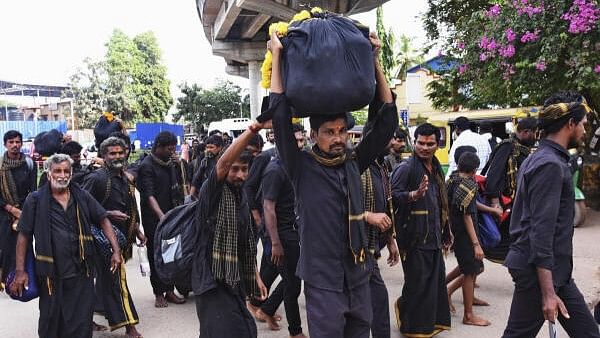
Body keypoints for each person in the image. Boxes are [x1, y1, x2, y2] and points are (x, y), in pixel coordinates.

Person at [269, 30, 398, 337]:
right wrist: (276, 55)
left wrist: (374, 60)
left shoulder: (353, 162)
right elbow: (279, 115)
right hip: (322, 278)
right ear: (314, 136)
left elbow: (386, 121)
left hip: (357, 272)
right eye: (330, 132)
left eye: (342, 130)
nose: (339, 137)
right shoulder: (300, 166)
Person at [502, 92, 600, 337]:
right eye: (583, 125)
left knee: (587, 333)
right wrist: (547, 293)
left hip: (556, 272)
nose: (584, 131)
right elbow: (540, 232)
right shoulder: (550, 165)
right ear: (570, 124)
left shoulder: (543, 158)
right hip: (538, 273)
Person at [10, 153, 123, 338]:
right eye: (57, 171)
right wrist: (20, 271)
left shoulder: (81, 196)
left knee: (81, 321)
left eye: (66, 171)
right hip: (50, 274)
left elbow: (103, 219)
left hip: (81, 271)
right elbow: (23, 235)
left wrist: (116, 251)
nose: (62, 175)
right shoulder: (36, 200)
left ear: (71, 174)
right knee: (51, 321)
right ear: (48, 174)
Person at [191, 120, 268, 338]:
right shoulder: (212, 191)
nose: (240, 175)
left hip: (233, 280)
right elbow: (223, 164)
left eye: (244, 170)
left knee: (243, 330)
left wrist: (256, 276)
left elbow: (245, 242)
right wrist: (254, 129)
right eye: (235, 169)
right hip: (210, 280)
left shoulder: (239, 196)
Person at [391, 123, 452, 337]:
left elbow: (440, 202)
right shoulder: (406, 168)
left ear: (438, 145)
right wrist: (412, 195)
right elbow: (393, 196)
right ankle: (411, 326)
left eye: (430, 144)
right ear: (414, 142)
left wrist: (446, 231)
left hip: (433, 235)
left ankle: (426, 325)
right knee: (417, 283)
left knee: (432, 283)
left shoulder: (436, 168)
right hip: (414, 236)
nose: (425, 147)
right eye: (420, 143)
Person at [83, 137, 145, 338]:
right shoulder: (97, 179)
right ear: (104, 156)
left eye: (120, 152)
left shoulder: (124, 177)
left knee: (105, 281)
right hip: (103, 243)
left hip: (121, 237)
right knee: (119, 282)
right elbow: (81, 207)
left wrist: (136, 230)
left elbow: (130, 207)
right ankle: (130, 327)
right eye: (112, 153)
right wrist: (107, 214)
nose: (117, 156)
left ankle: (92, 315)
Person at [255, 125, 306, 336]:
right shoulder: (275, 170)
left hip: (296, 233)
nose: (300, 145)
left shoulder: (296, 166)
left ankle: (266, 309)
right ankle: (295, 332)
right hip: (283, 235)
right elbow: (268, 207)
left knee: (290, 281)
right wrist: (275, 242)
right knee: (293, 285)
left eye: (302, 140)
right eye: (296, 141)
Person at [137, 131, 186, 308]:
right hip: (155, 218)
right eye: (168, 149)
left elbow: (179, 187)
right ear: (158, 147)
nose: (171, 152)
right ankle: (158, 293)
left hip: (171, 215)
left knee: (172, 254)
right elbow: (149, 196)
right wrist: (161, 217)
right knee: (156, 254)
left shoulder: (170, 163)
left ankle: (170, 290)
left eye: (173, 148)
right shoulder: (147, 166)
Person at [482, 117, 537, 262]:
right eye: (535, 133)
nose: (536, 138)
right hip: (505, 203)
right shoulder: (507, 146)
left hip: (517, 202)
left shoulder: (522, 149)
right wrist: (495, 203)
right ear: (526, 132)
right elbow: (495, 174)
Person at [446, 152, 491, 327]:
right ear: (474, 170)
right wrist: (476, 244)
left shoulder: (453, 180)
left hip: (457, 232)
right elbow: (466, 215)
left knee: (468, 267)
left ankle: (447, 289)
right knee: (471, 271)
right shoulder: (469, 184)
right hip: (465, 234)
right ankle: (468, 315)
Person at [363, 140, 401, 338]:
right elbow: (339, 208)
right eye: (387, 136)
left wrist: (390, 240)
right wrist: (368, 215)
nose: (393, 141)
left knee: (378, 299)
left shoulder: (382, 165)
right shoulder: (357, 166)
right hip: (355, 248)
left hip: (371, 246)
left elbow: (385, 205)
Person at [0, 130, 37, 285]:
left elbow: (33, 191)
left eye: (17, 142)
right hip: (3, 212)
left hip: (25, 212)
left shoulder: (29, 163)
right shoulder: (1, 166)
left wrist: (26, 211)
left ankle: (25, 278)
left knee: (25, 245)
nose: (15, 145)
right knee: (5, 247)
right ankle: (6, 279)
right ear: (5, 144)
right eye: (11, 142)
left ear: (22, 143)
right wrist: (12, 209)